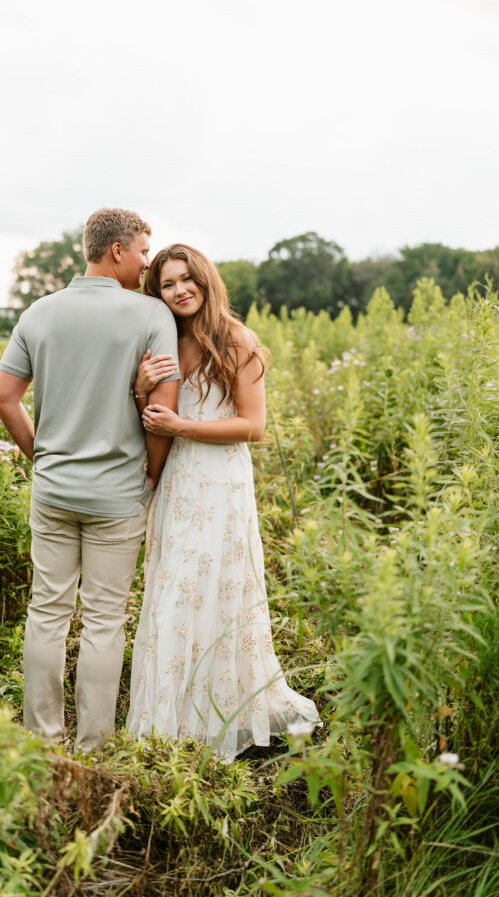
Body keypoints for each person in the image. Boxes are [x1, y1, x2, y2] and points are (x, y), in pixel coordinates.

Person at [0, 208, 180, 750]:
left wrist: (41, 457)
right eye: (144, 251)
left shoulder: (39, 313)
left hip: (53, 490)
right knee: (104, 620)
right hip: (117, 495)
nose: (148, 262)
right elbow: (162, 411)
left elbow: (5, 400)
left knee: (46, 612)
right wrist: (149, 473)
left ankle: (42, 740)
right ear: (117, 250)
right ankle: (93, 746)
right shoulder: (151, 316)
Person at [126, 244, 320, 760]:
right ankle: (170, 720)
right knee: (173, 597)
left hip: (221, 484)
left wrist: (183, 426)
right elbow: (152, 419)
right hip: (177, 485)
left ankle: (222, 715)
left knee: (215, 594)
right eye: (167, 284)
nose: (179, 290)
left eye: (187, 279)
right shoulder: (164, 340)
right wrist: (141, 390)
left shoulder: (237, 340)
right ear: (157, 293)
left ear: (206, 282)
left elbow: (253, 427)